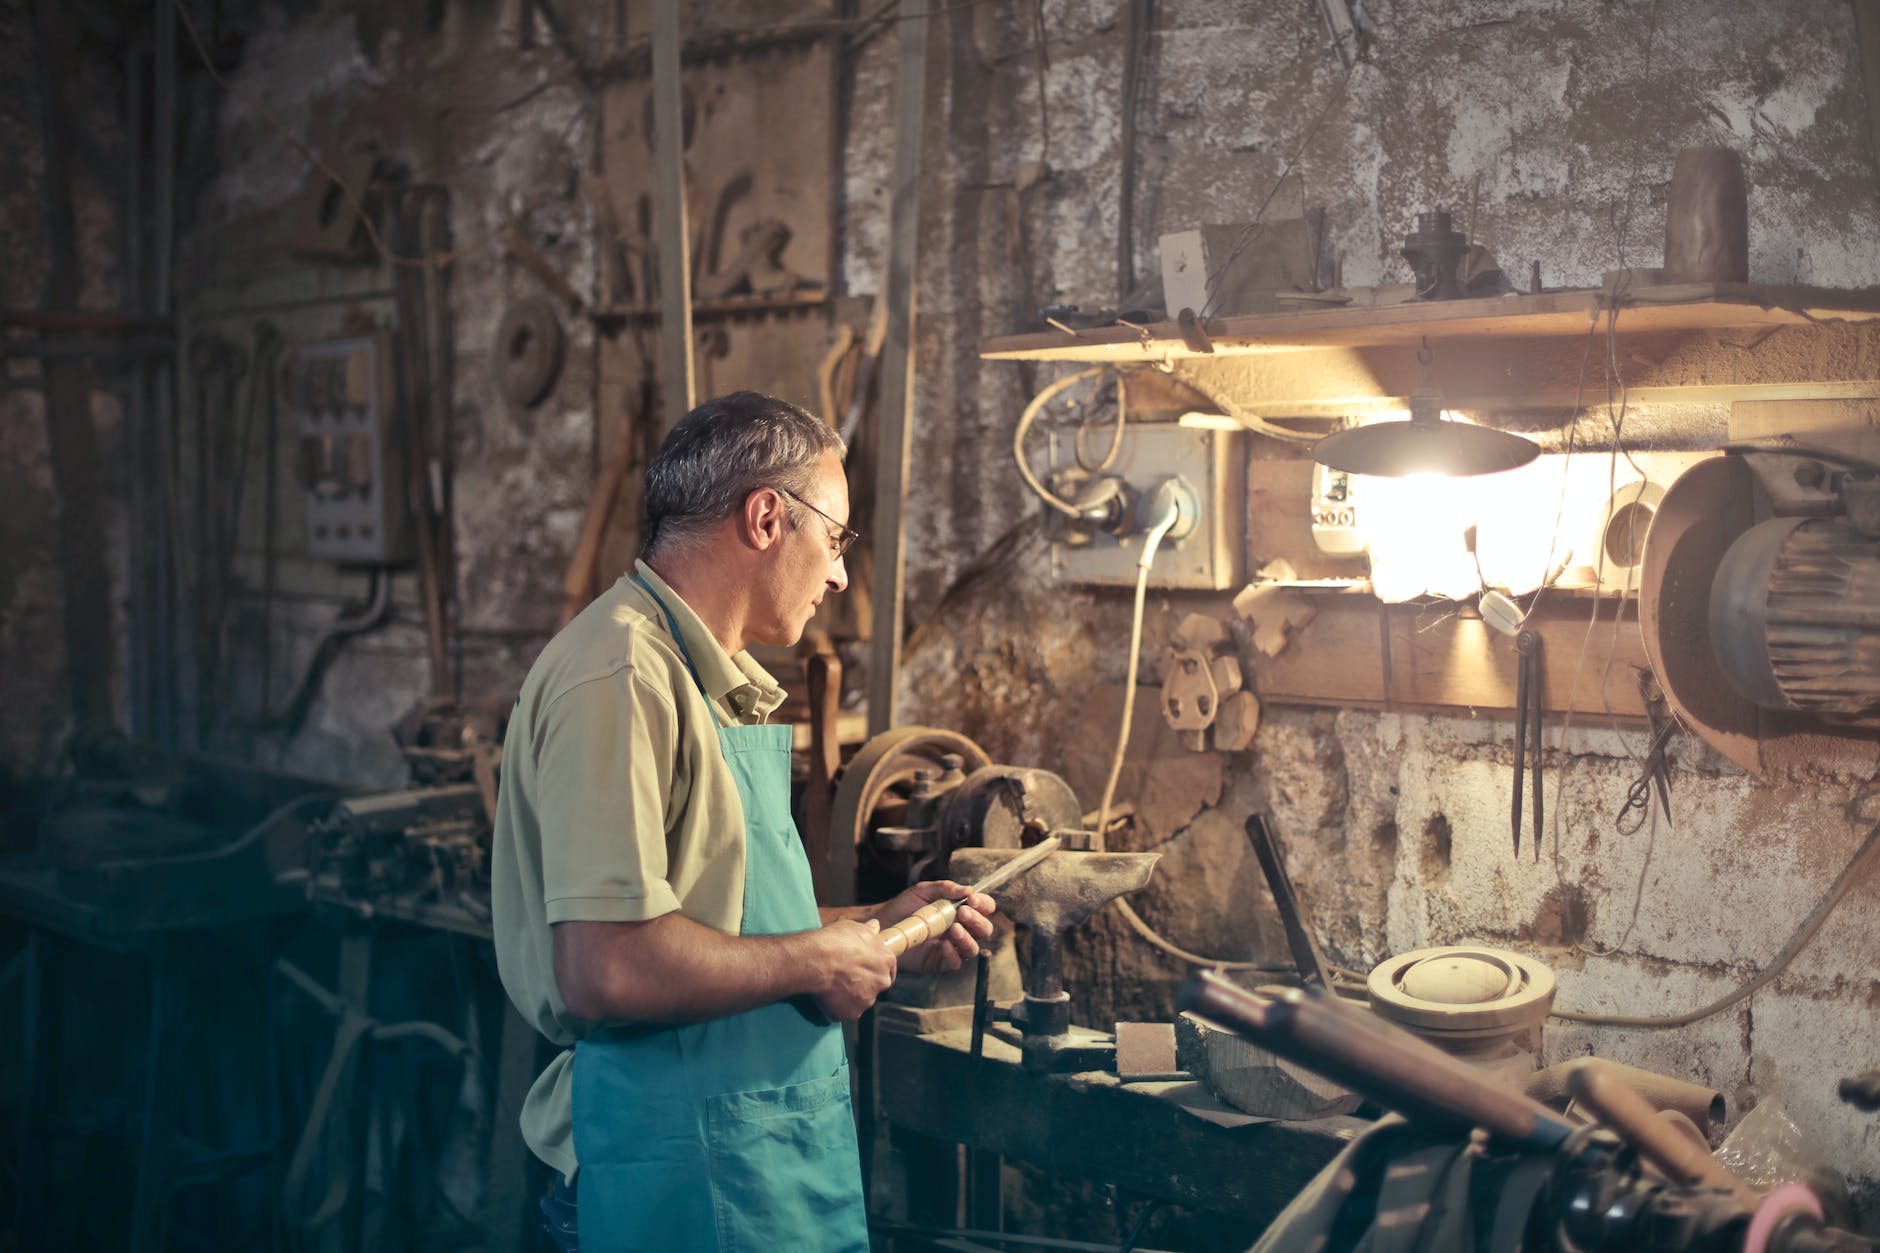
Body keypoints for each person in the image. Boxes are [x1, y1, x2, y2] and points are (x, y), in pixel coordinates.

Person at [491, 391, 995, 1253]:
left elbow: (711, 918)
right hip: (672, 1176)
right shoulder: (622, 674)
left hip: (737, 1161)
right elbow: (603, 967)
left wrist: (868, 926)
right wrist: (816, 959)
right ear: (767, 517)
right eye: (835, 539)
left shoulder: (699, 676)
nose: (839, 573)